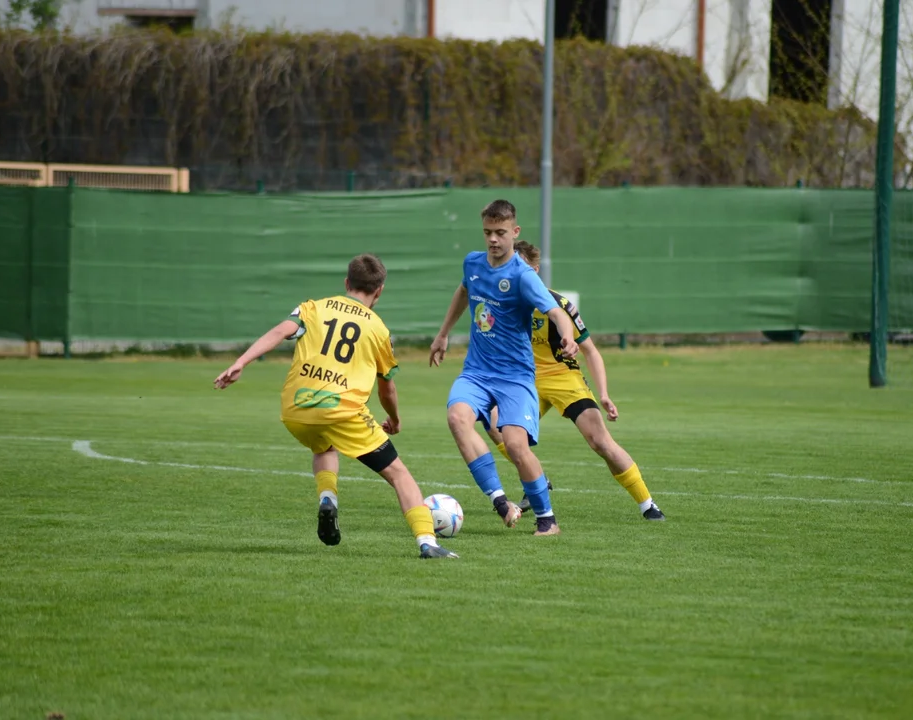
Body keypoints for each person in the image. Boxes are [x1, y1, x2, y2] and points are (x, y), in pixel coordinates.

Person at [214, 253, 457, 559]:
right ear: (379, 291)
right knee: (399, 474)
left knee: (324, 448)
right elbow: (387, 386)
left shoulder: (313, 307)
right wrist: (394, 419)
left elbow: (279, 331)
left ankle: (328, 498)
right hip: (342, 412)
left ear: (346, 283)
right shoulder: (378, 329)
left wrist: (240, 362)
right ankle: (428, 543)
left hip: (296, 409)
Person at [485, 241, 666, 521]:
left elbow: (591, 350)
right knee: (495, 424)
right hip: (523, 380)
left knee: (599, 441)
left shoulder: (557, 304)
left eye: (517, 266)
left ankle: (647, 504)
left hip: (563, 377)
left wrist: (604, 394)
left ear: (533, 270)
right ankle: (538, 481)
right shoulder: (497, 301)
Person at [429, 199, 579, 537]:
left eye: (500, 233)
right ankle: (501, 502)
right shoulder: (473, 263)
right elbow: (464, 291)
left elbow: (556, 312)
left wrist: (567, 336)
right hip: (477, 372)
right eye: (487, 233)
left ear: (515, 232)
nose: (493, 240)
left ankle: (547, 520)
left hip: (515, 378)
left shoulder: (523, 276)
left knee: (515, 445)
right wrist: (442, 334)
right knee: (457, 418)